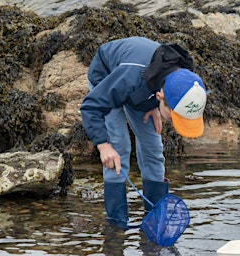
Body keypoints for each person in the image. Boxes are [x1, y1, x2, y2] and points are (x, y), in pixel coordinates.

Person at [80, 36, 207, 229]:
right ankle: (116, 224)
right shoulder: (131, 76)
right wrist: (103, 145)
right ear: (161, 96)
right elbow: (90, 107)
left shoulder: (186, 81)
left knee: (154, 148)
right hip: (107, 77)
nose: (172, 123)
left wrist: (154, 106)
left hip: (144, 89)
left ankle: (155, 219)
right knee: (119, 146)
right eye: (172, 117)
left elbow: (160, 86)